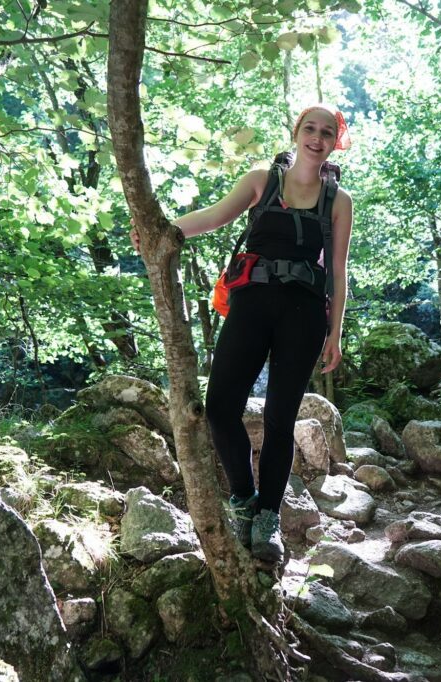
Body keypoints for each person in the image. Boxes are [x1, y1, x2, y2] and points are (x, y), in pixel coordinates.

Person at [131, 104, 353, 562]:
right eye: (309, 128)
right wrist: (164, 231)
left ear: (335, 142)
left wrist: (335, 332)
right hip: (250, 305)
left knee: (279, 419)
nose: (316, 137)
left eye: (326, 132)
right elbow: (215, 217)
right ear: (296, 133)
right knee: (219, 408)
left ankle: (269, 520)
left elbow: (338, 271)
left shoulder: (339, 200)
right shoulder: (261, 180)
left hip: (305, 315)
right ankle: (244, 501)